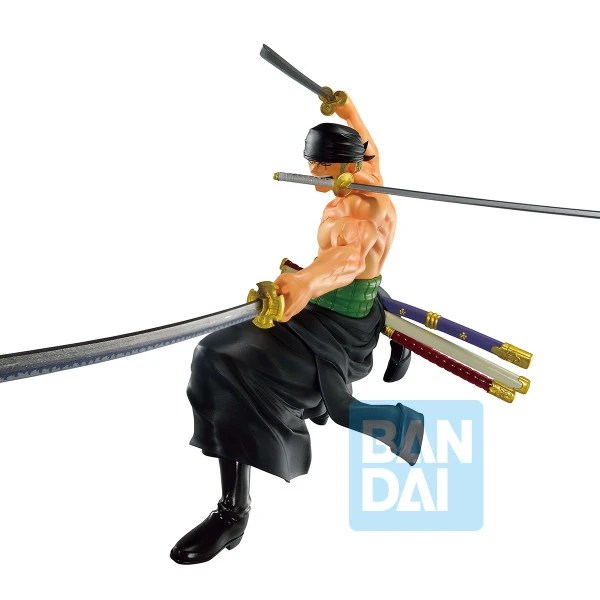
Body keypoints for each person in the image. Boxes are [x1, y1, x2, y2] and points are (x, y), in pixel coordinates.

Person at [170, 96, 423, 565]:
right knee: (217, 353)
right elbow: (368, 145)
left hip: (337, 326)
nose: (311, 173)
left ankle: (233, 512)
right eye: (309, 162)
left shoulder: (360, 212)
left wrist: (303, 284)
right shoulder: (365, 172)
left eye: (318, 165)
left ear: (340, 164)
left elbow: (346, 262)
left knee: (224, 362)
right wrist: (345, 108)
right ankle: (233, 507)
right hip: (321, 305)